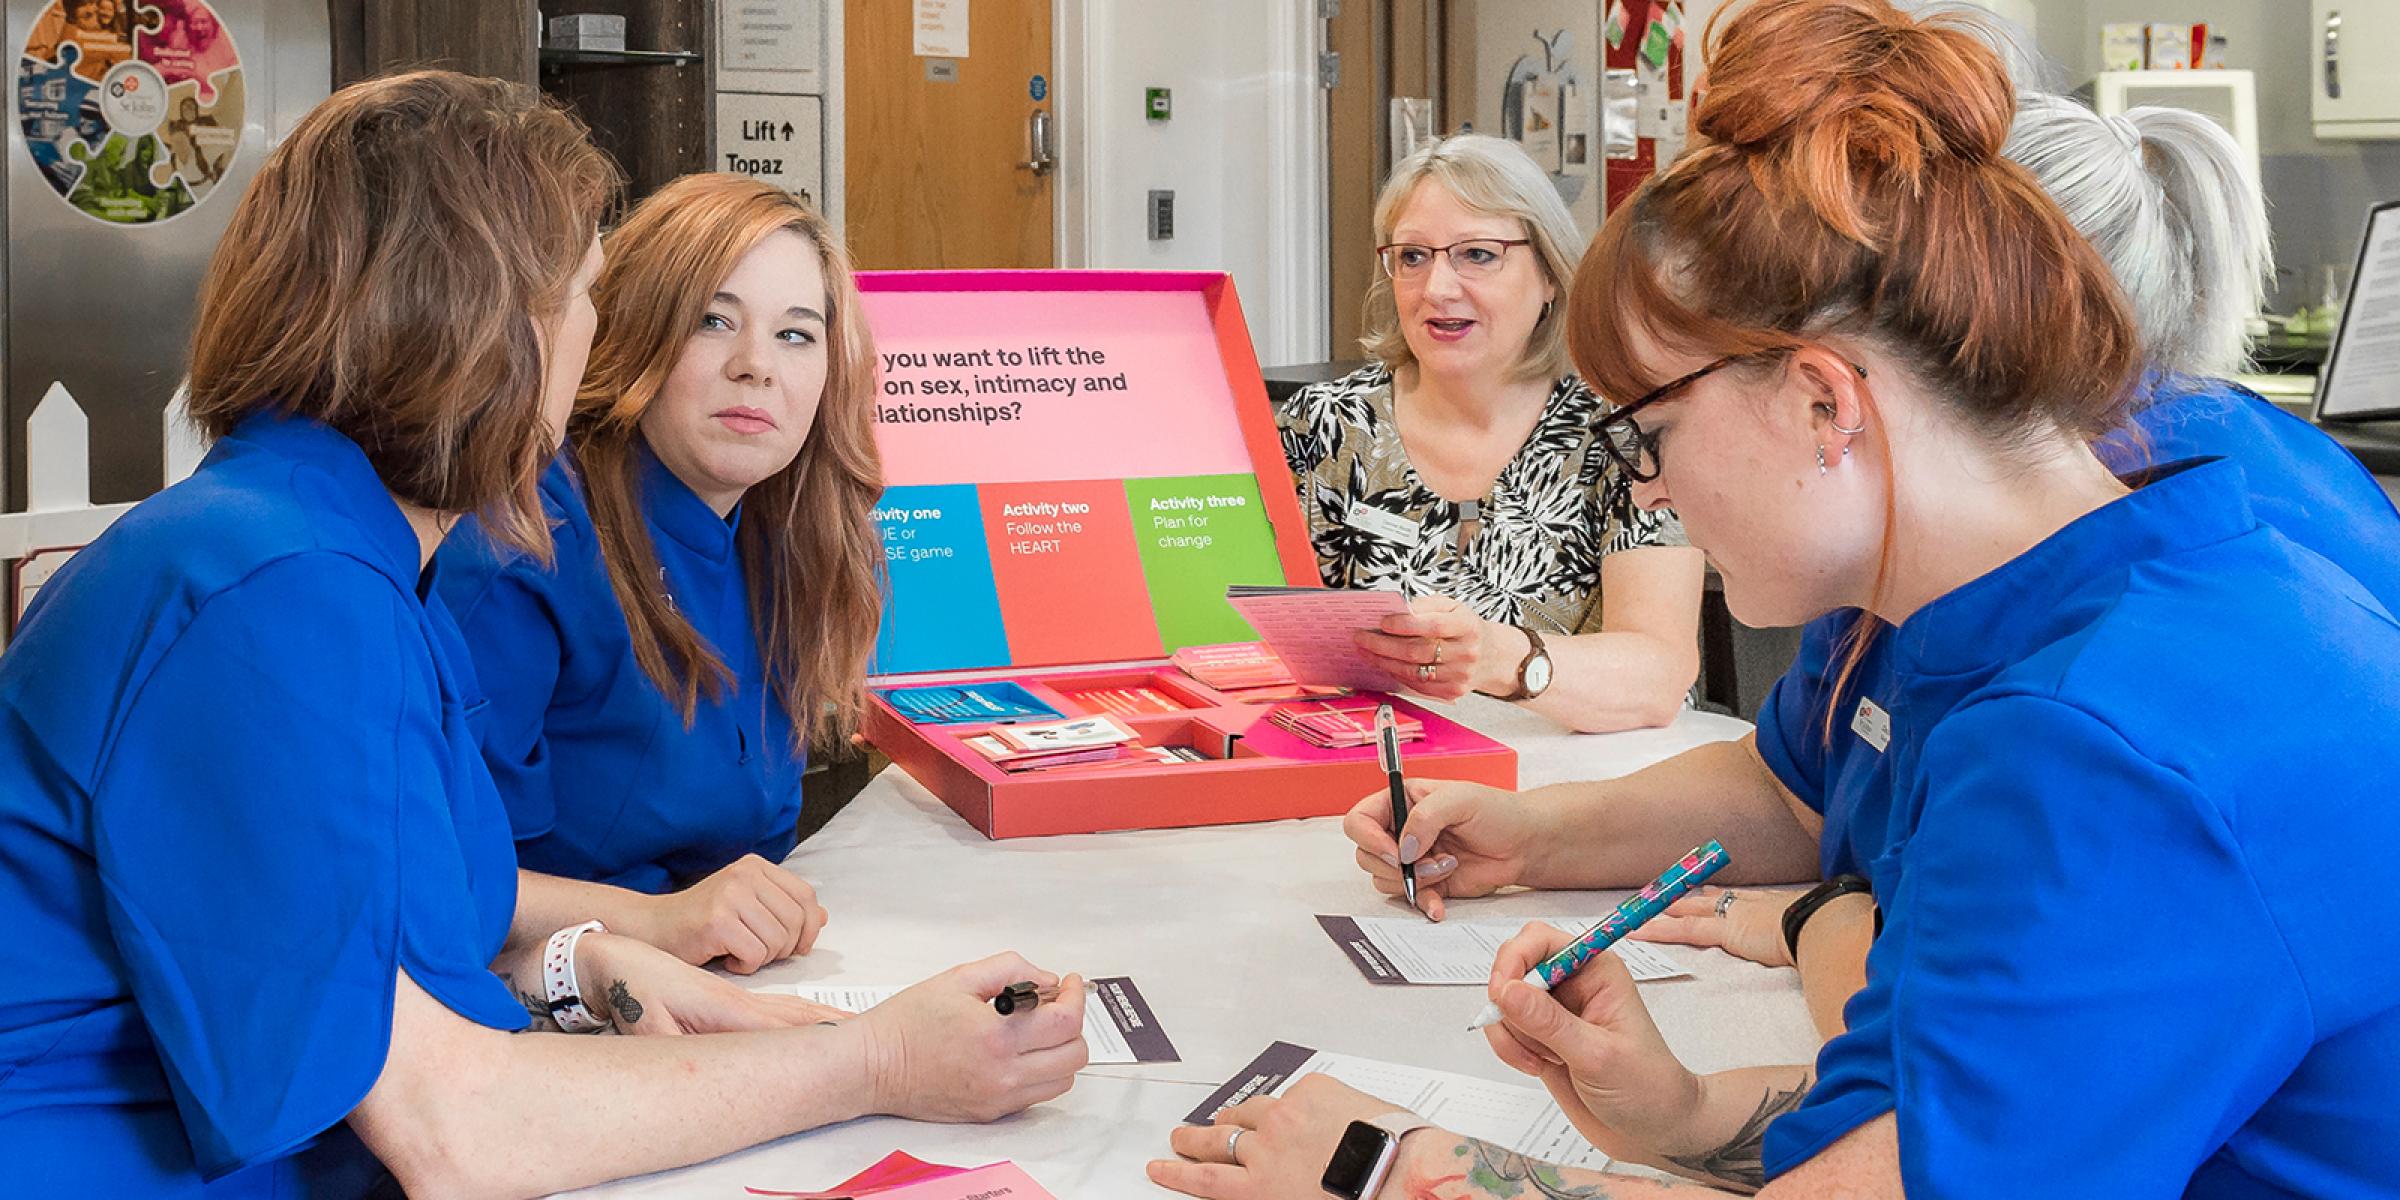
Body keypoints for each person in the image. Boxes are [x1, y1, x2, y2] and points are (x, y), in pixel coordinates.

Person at [1159, 0, 2400, 1194]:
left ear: (1824, 402)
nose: (1645, 484)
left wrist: (1395, 1166)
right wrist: (1687, 1117)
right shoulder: (2081, 598)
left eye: (1649, 432)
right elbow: (1920, 1139)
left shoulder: (2097, 748)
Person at [0, 71, 1083, 1197]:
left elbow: (408, 928)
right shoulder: (280, 592)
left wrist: (593, 964)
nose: (595, 340)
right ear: (478, 322)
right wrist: (873, 1061)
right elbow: (452, 1127)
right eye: (585, 296)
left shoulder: (345, 555)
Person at [436, 173, 883, 975]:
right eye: (714, 321)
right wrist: (658, 920)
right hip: (525, 1003)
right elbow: (437, 882)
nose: (756, 367)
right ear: (635, 333)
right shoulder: (525, 543)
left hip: (714, 980)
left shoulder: (795, 538)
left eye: (796, 334)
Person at [1277, 134, 1704, 733]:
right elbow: (1261, 648)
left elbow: (1660, 674)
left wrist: (1499, 657)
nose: (1438, 289)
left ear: (1550, 275)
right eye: (1413, 257)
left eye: (1477, 255)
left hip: (1590, 795)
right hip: (1380, 779)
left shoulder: (1626, 434)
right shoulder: (1322, 427)